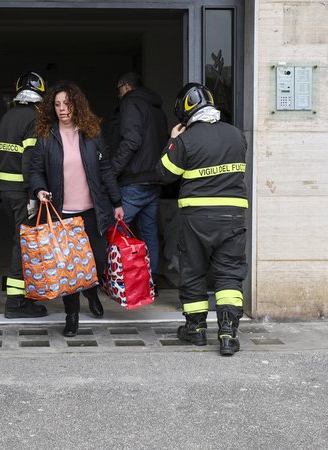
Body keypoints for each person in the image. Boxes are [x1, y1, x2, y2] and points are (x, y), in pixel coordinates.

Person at [156, 82, 248, 356]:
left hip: (196, 218)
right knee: (229, 273)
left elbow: (164, 173)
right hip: (232, 216)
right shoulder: (237, 135)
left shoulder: (187, 139)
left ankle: (195, 330)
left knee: (194, 270)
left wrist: (173, 141)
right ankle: (228, 333)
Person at [29, 82, 124, 336]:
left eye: (67, 104)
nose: (62, 109)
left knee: (97, 260)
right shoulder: (46, 136)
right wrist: (39, 189)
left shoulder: (92, 133)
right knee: (68, 268)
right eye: (57, 104)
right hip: (63, 213)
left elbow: (105, 171)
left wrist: (117, 202)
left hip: (92, 211)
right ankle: (71, 316)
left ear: (77, 105)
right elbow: (35, 170)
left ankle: (91, 291)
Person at [0, 72, 49, 319]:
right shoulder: (33, 119)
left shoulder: (7, 116)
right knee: (23, 244)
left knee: (18, 241)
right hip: (21, 192)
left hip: (6, 189)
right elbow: (29, 159)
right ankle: (15, 303)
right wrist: (32, 194)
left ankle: (21, 297)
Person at [110, 72, 169, 289]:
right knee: (149, 231)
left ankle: (122, 280)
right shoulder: (156, 108)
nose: (118, 95)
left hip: (133, 180)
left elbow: (131, 142)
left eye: (118, 90)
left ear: (124, 86)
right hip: (154, 179)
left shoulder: (130, 103)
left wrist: (112, 171)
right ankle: (149, 280)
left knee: (117, 230)